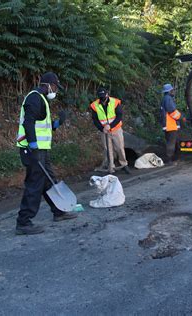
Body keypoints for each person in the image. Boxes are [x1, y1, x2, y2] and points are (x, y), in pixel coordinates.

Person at [15, 72, 76, 235]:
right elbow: (28, 123)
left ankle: (58, 211)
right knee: (35, 184)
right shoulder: (34, 98)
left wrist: (58, 123)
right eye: (55, 87)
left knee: (49, 181)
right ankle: (23, 222)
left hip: (40, 150)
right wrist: (34, 147)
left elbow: (43, 126)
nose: (55, 90)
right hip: (32, 150)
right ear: (48, 85)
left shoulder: (40, 99)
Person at [90, 87, 130, 174]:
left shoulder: (115, 102)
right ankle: (111, 167)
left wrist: (110, 126)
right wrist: (102, 128)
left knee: (119, 147)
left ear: (107, 95)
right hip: (104, 131)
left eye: (103, 96)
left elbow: (119, 116)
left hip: (116, 129)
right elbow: (95, 120)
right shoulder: (94, 105)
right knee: (108, 149)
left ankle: (124, 164)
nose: (102, 98)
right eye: (100, 96)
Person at [160, 83, 182, 165]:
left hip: (170, 125)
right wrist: (180, 117)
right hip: (170, 125)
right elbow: (172, 111)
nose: (173, 91)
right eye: (172, 90)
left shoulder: (166, 98)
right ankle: (169, 160)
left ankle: (175, 159)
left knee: (174, 142)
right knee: (171, 143)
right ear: (169, 91)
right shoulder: (168, 99)